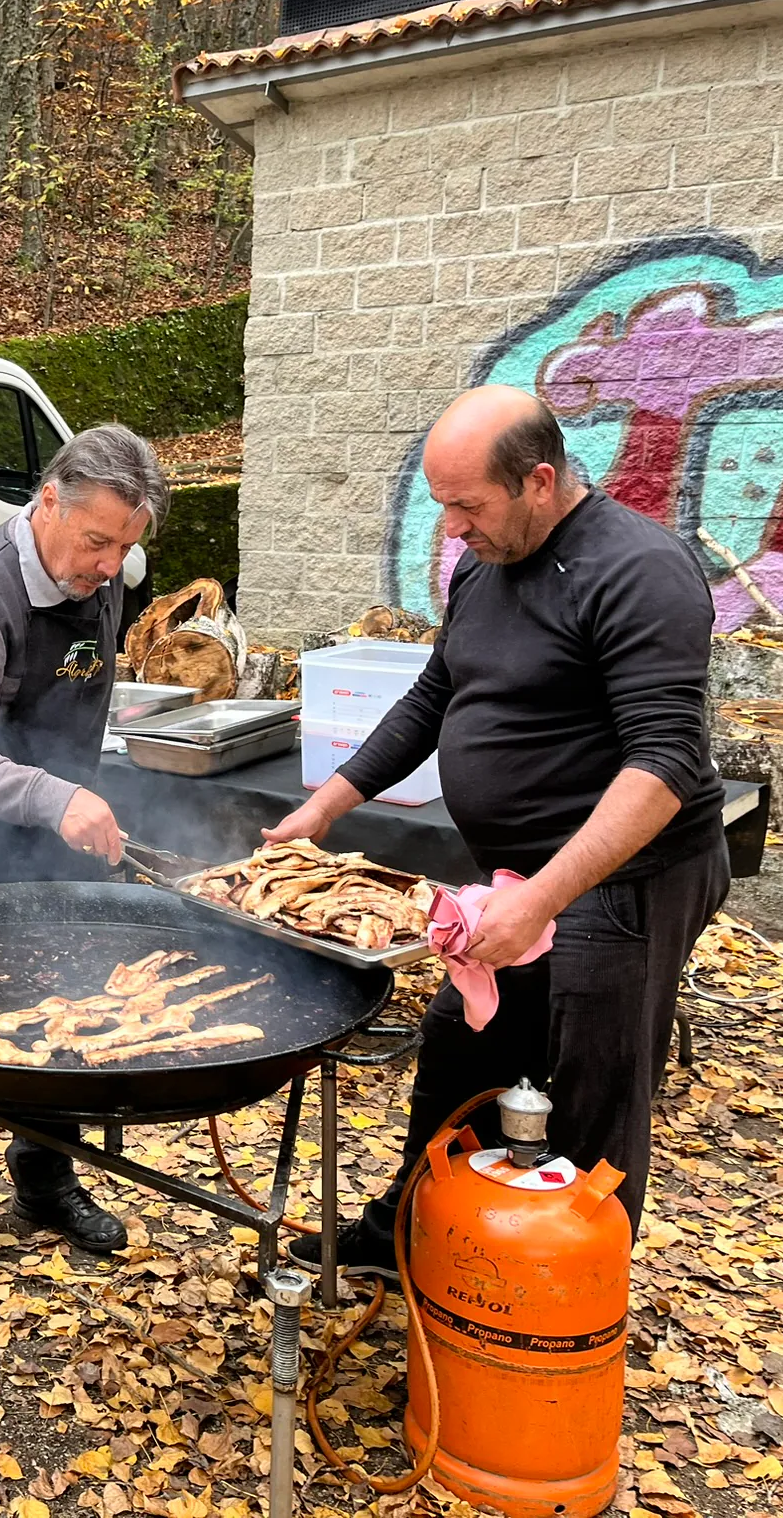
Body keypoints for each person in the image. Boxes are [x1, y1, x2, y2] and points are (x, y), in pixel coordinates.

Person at [279, 384, 729, 1277]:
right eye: (442, 504)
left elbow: (665, 763)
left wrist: (546, 902)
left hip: (622, 883)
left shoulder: (638, 569)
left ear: (540, 481)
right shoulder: (482, 566)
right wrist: (322, 809)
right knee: (462, 1053)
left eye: (466, 506)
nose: (450, 528)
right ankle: (421, 1231)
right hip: (515, 879)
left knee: (593, 1095)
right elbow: (434, 696)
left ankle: (557, 1293)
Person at [0, 423, 170, 1288]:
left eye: (126, 547)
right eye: (98, 541)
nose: (110, 565)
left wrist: (82, 795)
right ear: (47, 500)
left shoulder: (100, 577)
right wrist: (53, 798)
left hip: (57, 836)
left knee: (64, 997)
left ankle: (45, 1180)